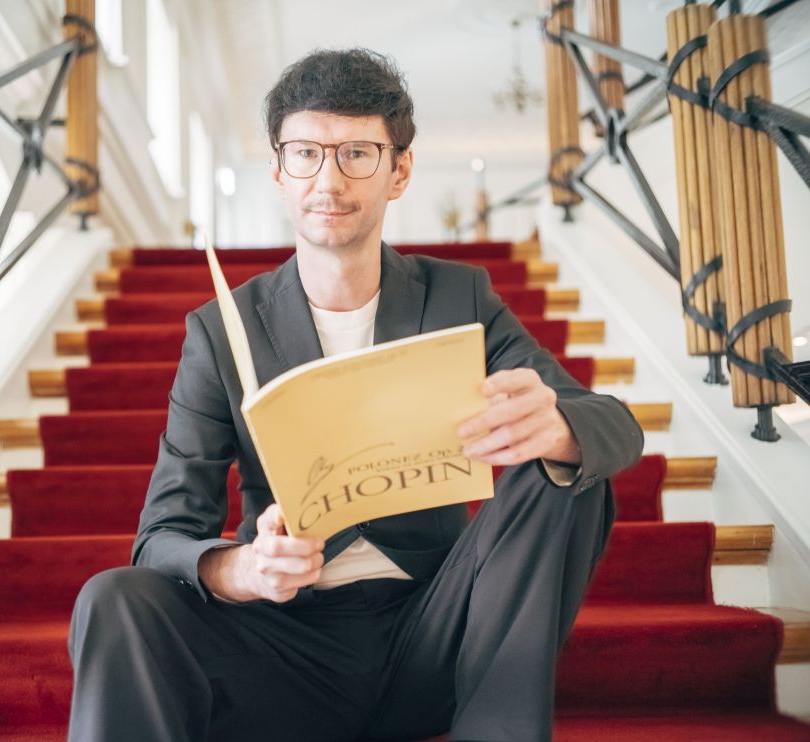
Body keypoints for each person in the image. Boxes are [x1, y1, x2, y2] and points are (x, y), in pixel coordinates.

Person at [67, 48, 644, 742]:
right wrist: (245, 569)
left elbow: (614, 425)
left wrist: (555, 428)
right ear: (279, 170)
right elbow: (161, 537)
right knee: (113, 598)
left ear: (399, 170)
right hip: (282, 652)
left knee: (566, 471)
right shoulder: (221, 331)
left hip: (436, 637)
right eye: (306, 153)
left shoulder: (460, 297)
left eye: (358, 154)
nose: (329, 180)